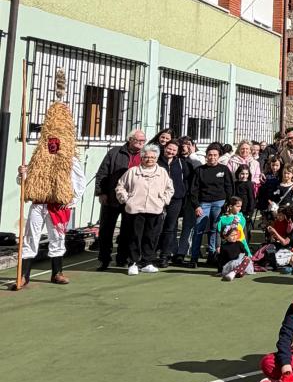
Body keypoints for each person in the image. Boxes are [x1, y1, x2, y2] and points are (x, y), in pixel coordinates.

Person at [12, 90, 86, 289]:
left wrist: (71, 201)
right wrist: (22, 173)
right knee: (30, 237)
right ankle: (24, 275)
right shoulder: (38, 159)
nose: (53, 145)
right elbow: (26, 183)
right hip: (38, 205)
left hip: (57, 205)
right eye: (50, 142)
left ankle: (57, 272)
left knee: (57, 238)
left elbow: (79, 182)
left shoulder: (70, 160)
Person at [114, 144, 174, 276]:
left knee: (151, 237)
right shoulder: (132, 171)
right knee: (134, 237)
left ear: (157, 158)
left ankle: (147, 262)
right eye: (146, 157)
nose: (149, 159)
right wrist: (126, 199)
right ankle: (133, 263)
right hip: (135, 210)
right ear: (142, 158)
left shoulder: (162, 172)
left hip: (155, 208)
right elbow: (120, 186)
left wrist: (163, 201)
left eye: (152, 157)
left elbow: (169, 189)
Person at [94, 129, 146, 270]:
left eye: (143, 141)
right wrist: (101, 192)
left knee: (127, 230)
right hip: (112, 197)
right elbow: (102, 173)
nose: (141, 143)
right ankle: (104, 259)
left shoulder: (144, 155)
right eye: (138, 140)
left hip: (133, 199)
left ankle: (122, 258)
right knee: (106, 230)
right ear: (130, 139)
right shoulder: (115, 153)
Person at [188, 144, 234, 268]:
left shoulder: (224, 169)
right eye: (210, 155)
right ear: (206, 156)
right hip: (203, 204)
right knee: (199, 230)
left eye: (215, 155)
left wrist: (228, 204)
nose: (212, 157)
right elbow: (193, 190)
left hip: (220, 203)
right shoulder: (200, 170)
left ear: (219, 156)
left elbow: (229, 187)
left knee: (215, 229)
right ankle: (194, 258)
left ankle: (212, 255)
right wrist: (196, 206)